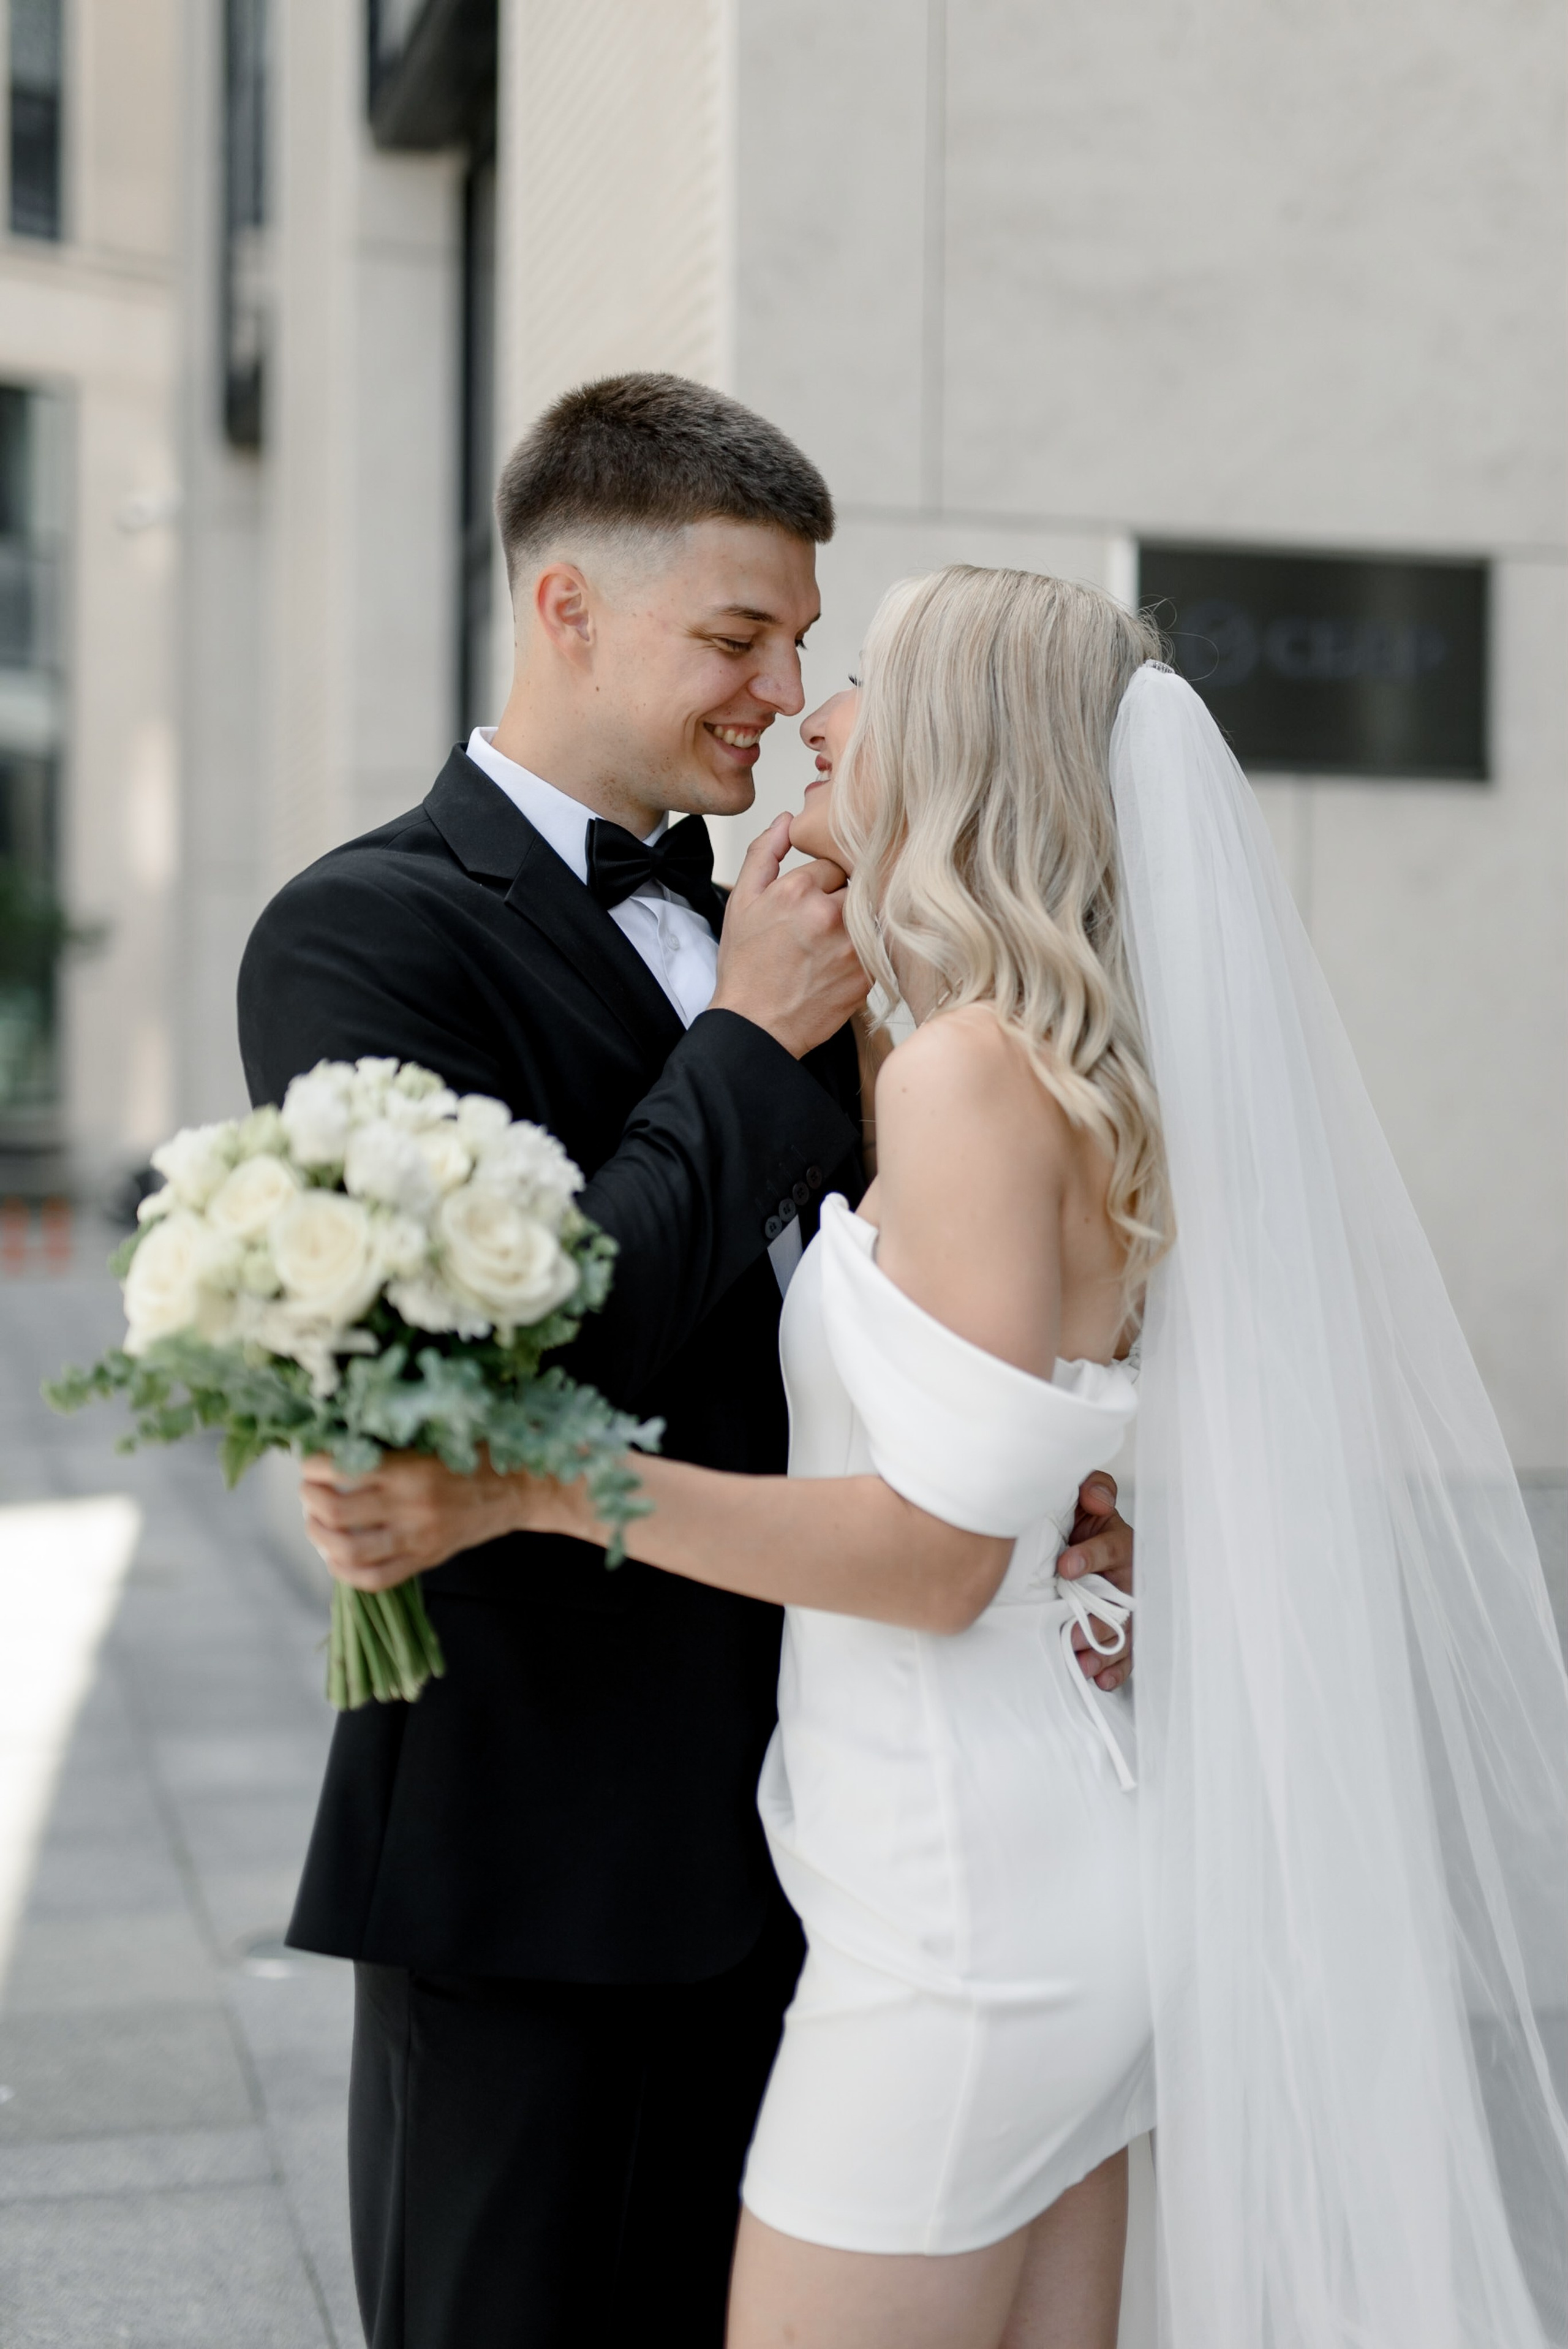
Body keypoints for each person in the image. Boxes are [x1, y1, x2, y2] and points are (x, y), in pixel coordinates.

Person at [316, 564, 1568, 2349]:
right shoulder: (1042, 1060)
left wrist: (529, 1482)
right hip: (1051, 1862)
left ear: (956, 749)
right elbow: (1039, 1465)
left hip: (962, 1916)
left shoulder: (965, 1076)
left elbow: (935, 1554)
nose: (813, 711)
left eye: (860, 683)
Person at [239, 384, 1135, 2349]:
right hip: (534, 1851)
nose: (780, 688)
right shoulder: (363, 933)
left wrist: (1060, 1471)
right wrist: (735, 1046)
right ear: (566, 605)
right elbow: (517, 1371)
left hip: (832, 1846)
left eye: (806, 642)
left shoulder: (801, 933)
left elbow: (894, 1324)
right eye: (739, 637)